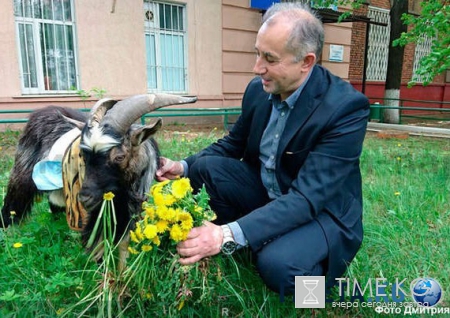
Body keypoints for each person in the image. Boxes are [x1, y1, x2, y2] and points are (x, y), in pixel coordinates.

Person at [156, 2, 370, 294]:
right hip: (271, 193)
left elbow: (307, 199)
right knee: (204, 169)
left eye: (269, 58)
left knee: (279, 268)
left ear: (306, 62)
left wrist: (224, 235)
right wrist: (182, 167)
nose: (257, 68)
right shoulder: (259, 89)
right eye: (257, 53)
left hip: (321, 211)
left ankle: (327, 293)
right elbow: (232, 145)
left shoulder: (345, 108)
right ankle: (257, 239)